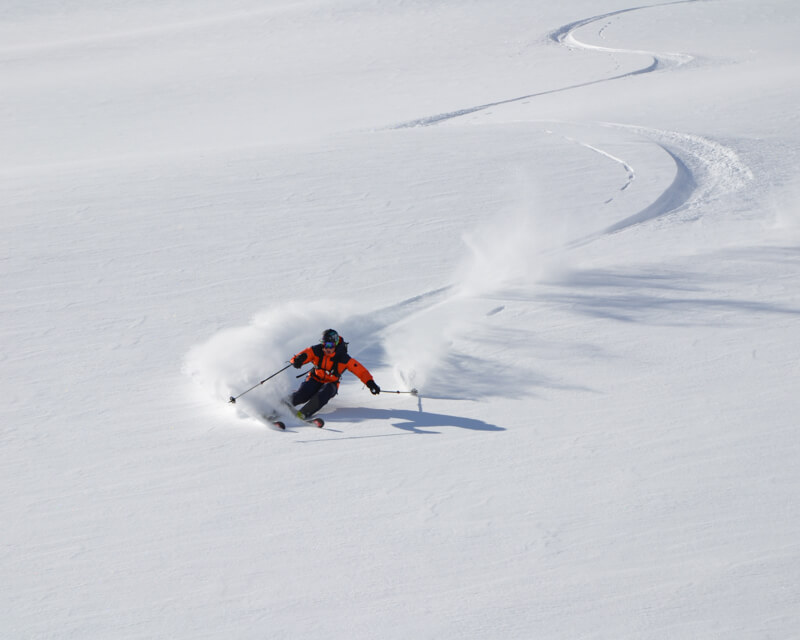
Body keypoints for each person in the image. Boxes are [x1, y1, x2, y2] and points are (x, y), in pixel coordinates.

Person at [288, 329, 380, 419]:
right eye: (324, 344)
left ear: (335, 344)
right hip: (314, 378)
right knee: (303, 393)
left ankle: (303, 414)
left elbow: (361, 371)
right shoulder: (316, 350)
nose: (326, 348)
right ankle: (282, 406)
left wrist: (370, 383)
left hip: (331, 383)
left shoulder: (343, 358)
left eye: (329, 345)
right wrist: (297, 360)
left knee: (325, 392)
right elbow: (302, 355)